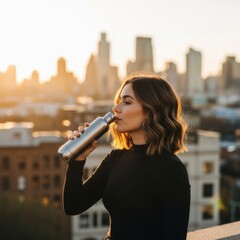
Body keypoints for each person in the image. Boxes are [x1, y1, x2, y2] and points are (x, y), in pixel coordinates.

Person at [63, 73, 191, 240]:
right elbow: (73, 205)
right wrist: (77, 160)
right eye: (119, 101)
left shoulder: (172, 169)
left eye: (127, 102)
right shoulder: (115, 159)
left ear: (152, 110)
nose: (116, 108)